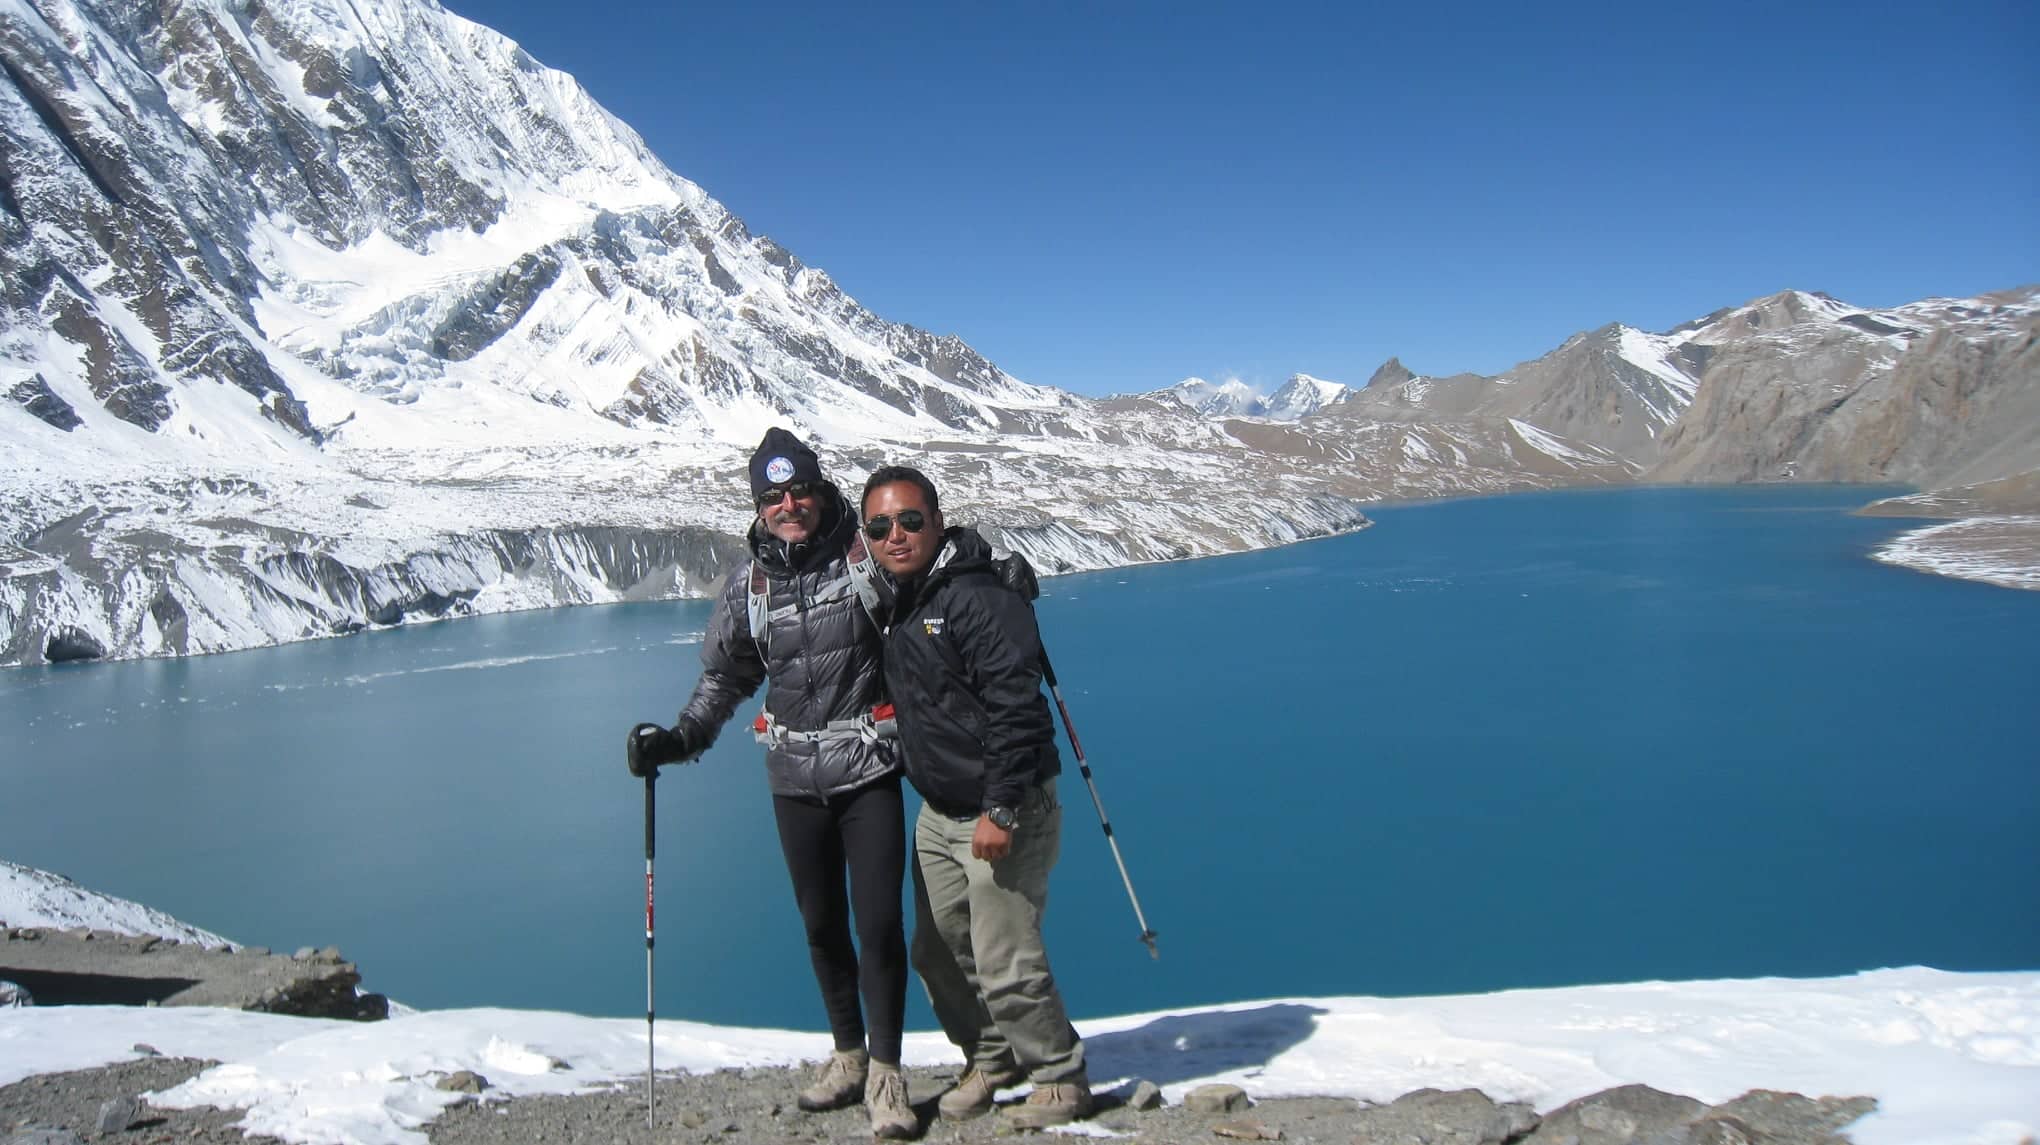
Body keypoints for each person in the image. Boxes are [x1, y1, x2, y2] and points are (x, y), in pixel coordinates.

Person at [627, 428, 915, 1140]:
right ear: (758, 506)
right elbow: (726, 675)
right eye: (772, 496)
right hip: (793, 781)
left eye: (799, 490)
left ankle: (886, 1072)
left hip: (868, 769)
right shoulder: (748, 583)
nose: (788, 505)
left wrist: (985, 573)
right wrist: (681, 737)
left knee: (876, 924)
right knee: (821, 926)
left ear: (818, 490)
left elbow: (930, 578)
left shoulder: (862, 553)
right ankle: (848, 1054)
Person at [859, 464, 1093, 1129]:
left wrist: (1001, 807)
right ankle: (992, 1057)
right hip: (940, 810)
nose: (896, 535)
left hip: (1001, 804)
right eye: (880, 526)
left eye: (909, 520)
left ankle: (1059, 1075)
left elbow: (1017, 708)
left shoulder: (975, 596)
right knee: (936, 951)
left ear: (938, 520)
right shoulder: (901, 594)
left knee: (1004, 954)